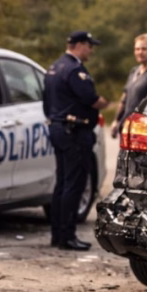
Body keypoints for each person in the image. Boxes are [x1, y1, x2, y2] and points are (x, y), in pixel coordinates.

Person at [43, 31, 110, 251]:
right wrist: (105, 104)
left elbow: (47, 104)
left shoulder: (53, 68)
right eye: (90, 46)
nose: (91, 50)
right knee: (74, 184)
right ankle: (67, 236)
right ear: (80, 45)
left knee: (62, 183)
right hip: (73, 132)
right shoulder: (75, 70)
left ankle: (57, 234)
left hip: (58, 128)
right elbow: (91, 99)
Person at [111, 33, 147, 138]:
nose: (139, 52)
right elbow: (124, 99)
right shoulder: (134, 71)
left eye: (144, 49)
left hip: (142, 131)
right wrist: (116, 120)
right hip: (126, 128)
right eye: (137, 49)